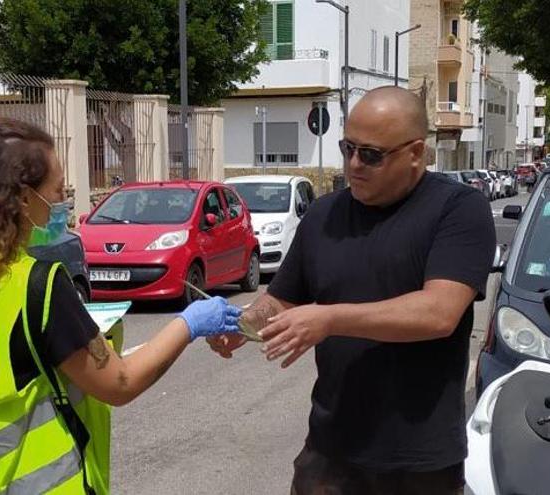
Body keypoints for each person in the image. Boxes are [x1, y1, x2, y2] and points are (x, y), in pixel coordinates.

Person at [0, 112, 242, 495]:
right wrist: (189, 323)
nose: (63, 202)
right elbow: (120, 383)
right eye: (56, 191)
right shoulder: (38, 285)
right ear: (22, 198)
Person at [209, 87, 496, 494]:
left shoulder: (458, 209)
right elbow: (283, 297)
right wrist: (244, 323)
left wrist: (329, 318)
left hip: (418, 461)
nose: (354, 164)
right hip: (330, 452)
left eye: (371, 154)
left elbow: (438, 313)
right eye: (347, 148)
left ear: (416, 153)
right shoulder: (324, 214)